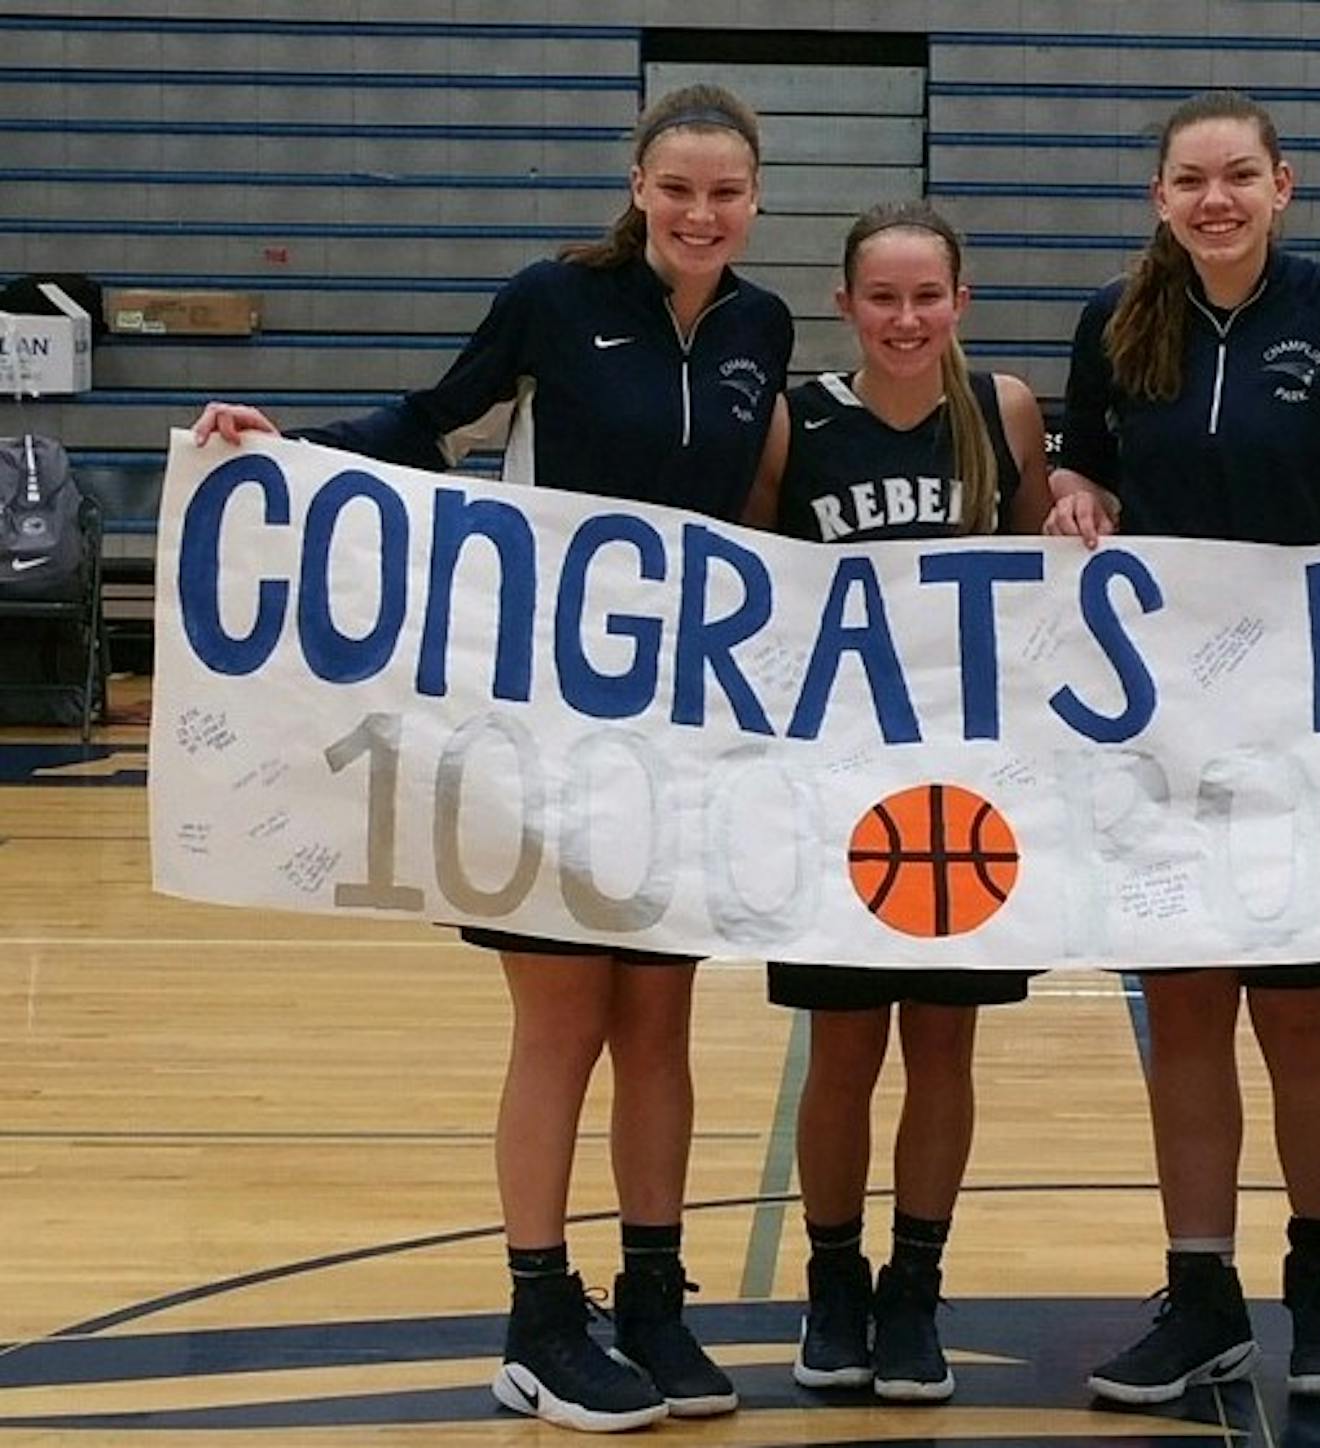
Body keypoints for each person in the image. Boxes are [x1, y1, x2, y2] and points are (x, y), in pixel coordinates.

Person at [191, 84, 793, 1434]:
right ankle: (535, 1318)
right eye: (680, 188)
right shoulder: (550, 298)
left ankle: (651, 1300)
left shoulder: (760, 324)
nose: (702, 213)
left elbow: (752, 520)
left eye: (727, 193)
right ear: (640, 186)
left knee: (662, 1028)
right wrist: (284, 450)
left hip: (679, 734)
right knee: (563, 1024)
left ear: (756, 203)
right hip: (543, 730)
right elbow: (434, 420)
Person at [1044, 89, 1320, 1406]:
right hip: (1159, 721)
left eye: (1239, 176)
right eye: (1191, 180)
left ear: (1284, 186)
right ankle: (1201, 1295)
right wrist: (1077, 488)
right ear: (1160, 199)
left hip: (1307, 713)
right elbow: (1084, 466)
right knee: (1188, 1010)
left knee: (1306, 1015)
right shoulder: (1113, 322)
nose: (1216, 198)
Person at [735, 200, 1051, 1403]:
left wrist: (1076, 516)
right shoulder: (796, 418)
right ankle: (833, 1282)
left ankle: (914, 1286)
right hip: (838, 787)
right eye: (884, 297)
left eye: (928, 298)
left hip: (969, 790)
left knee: (943, 1044)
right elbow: (747, 590)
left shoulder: (1004, 413)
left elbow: (1039, 600)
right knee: (842, 1049)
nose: (907, 318)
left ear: (960, 303)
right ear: (846, 302)